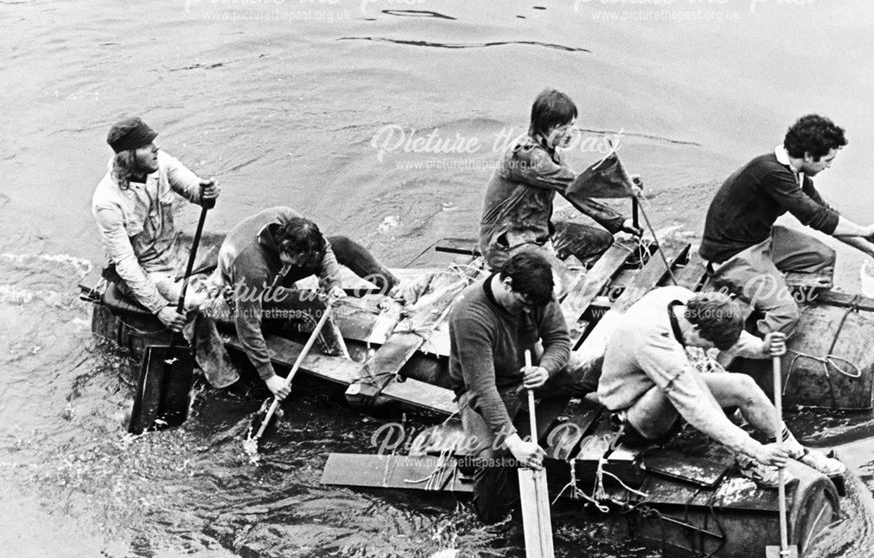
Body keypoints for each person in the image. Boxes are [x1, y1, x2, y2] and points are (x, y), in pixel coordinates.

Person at [597, 286, 846, 486]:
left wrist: (761, 349)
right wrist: (755, 449)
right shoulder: (657, 342)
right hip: (631, 419)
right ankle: (749, 460)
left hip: (660, 388)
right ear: (695, 329)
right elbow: (698, 409)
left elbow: (729, 337)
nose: (707, 349)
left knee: (742, 384)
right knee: (690, 375)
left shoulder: (681, 300)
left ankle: (795, 449)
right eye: (708, 344)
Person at [699, 114, 874, 337]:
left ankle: (793, 300)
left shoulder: (795, 174)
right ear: (808, 155)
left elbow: (825, 214)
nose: (829, 166)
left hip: (761, 239)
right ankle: (741, 351)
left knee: (822, 256)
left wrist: (871, 249)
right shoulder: (770, 172)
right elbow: (816, 217)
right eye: (827, 160)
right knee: (787, 315)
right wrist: (864, 231)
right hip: (731, 255)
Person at [207, 206, 400, 402]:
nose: (301, 267)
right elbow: (247, 325)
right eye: (298, 261)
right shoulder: (252, 267)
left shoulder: (289, 219)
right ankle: (341, 363)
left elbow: (326, 250)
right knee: (313, 304)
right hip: (242, 293)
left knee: (343, 244)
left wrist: (333, 284)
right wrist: (269, 377)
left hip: (275, 268)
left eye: (305, 260)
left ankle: (395, 288)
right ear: (285, 248)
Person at [448, 251, 572, 523]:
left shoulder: (536, 294)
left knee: (593, 372)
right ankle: (491, 525)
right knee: (491, 460)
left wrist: (545, 369)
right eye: (523, 304)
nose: (529, 312)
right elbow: (481, 389)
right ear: (506, 283)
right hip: (492, 387)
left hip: (531, 374)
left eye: (533, 306)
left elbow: (560, 341)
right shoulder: (470, 315)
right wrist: (512, 441)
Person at [478, 88, 641, 294]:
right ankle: (562, 268)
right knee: (569, 287)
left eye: (571, 125)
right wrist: (621, 186)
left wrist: (618, 222)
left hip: (539, 231)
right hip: (509, 243)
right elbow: (575, 184)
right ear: (545, 126)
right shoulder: (526, 156)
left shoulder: (552, 152)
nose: (569, 132)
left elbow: (574, 192)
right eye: (563, 127)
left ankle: (561, 261)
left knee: (602, 240)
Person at [92, 116, 220, 331]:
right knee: (201, 304)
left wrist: (206, 192)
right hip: (146, 270)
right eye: (145, 145)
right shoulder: (107, 201)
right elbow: (126, 264)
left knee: (237, 246)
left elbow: (192, 189)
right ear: (128, 157)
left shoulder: (160, 162)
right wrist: (160, 309)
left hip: (173, 249)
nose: (155, 148)